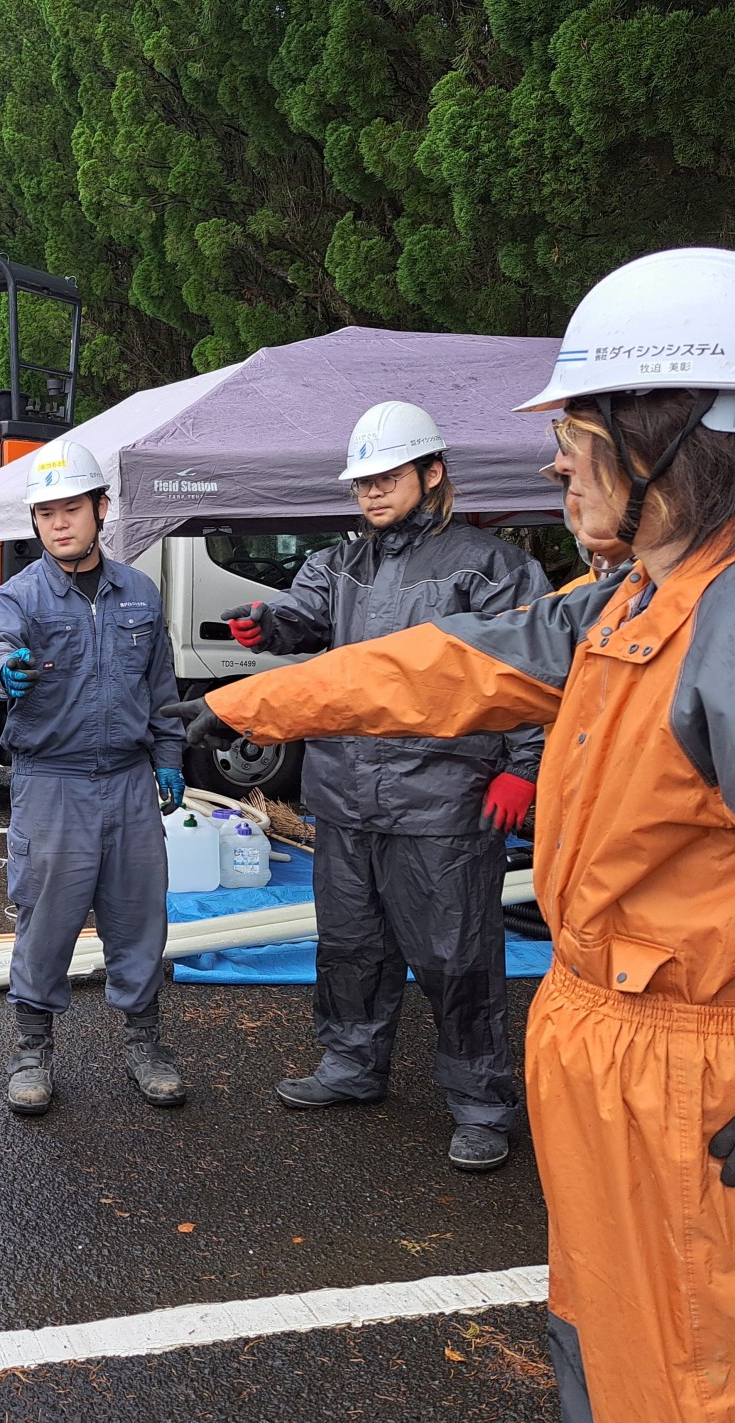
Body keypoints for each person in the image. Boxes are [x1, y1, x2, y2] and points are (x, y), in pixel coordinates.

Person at [169, 247, 735, 1423]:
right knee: (606, 1364)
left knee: (704, 1401)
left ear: (665, 434)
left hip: (701, 1089)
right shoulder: (641, 597)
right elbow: (448, 664)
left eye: (575, 431)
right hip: (612, 1062)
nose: (554, 461)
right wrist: (250, 704)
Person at [209, 402, 548, 1171]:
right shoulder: (338, 565)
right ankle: (352, 1065)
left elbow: (529, 668)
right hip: (345, 793)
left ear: (432, 473)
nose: (371, 492)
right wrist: (267, 623)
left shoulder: (489, 566)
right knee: (350, 944)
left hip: (445, 798)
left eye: (387, 477)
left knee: (457, 956)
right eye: (363, 481)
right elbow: (302, 620)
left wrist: (523, 768)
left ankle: (481, 1104)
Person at [0, 438, 188, 1116]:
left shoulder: (139, 594)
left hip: (127, 782)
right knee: (46, 921)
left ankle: (145, 1044)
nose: (58, 524)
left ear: (101, 508)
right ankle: (31, 1051)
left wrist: (169, 756)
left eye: (71, 509)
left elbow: (161, 688)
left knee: (140, 918)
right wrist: (2, 670)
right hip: (52, 783)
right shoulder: (19, 596)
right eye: (45, 513)